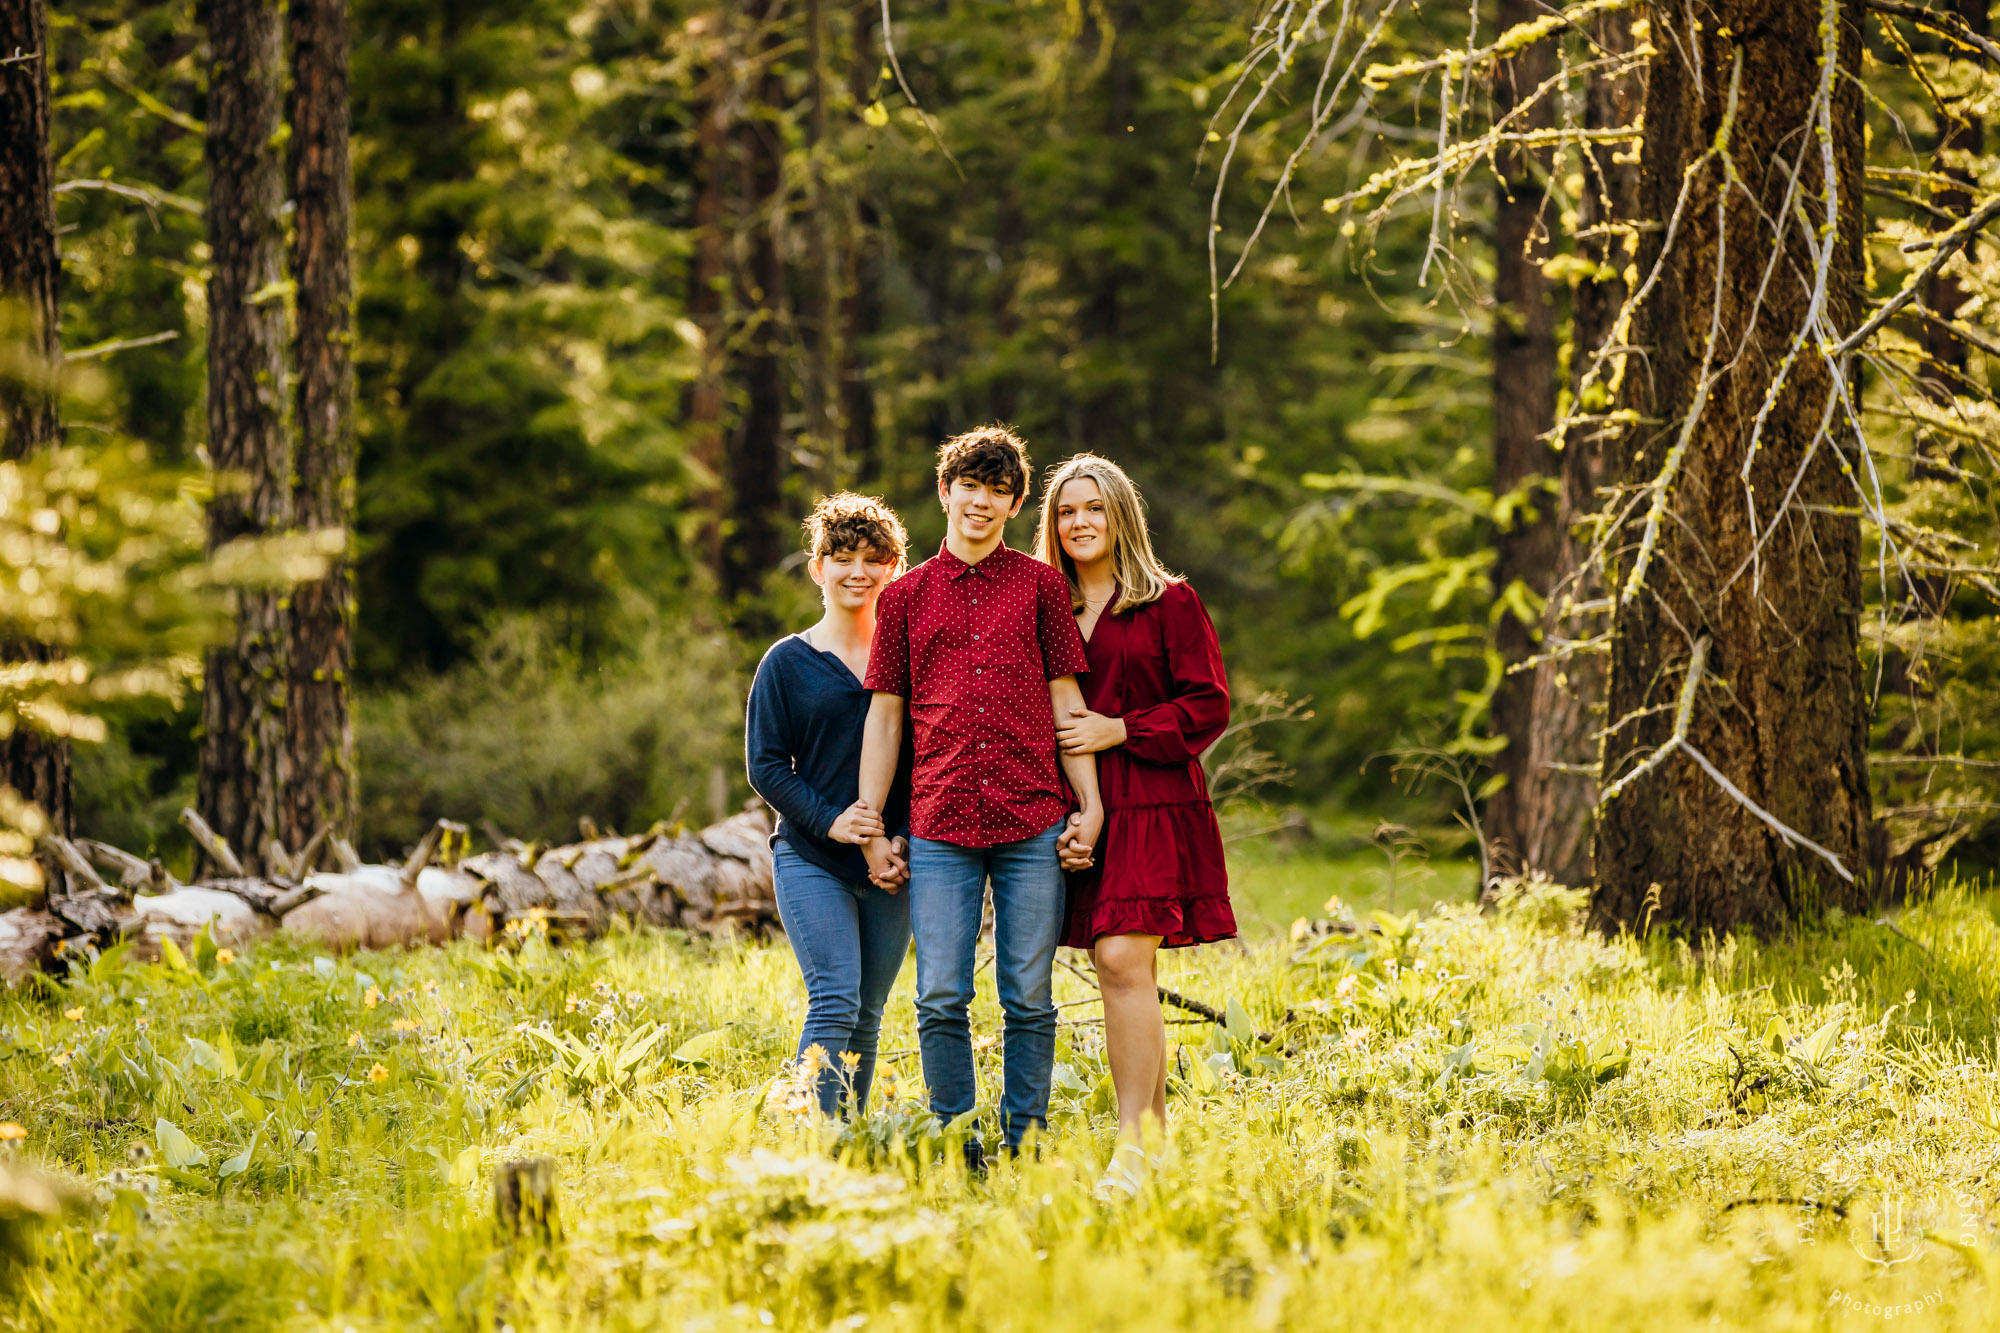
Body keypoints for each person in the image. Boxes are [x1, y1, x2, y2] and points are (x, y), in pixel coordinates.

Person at [855, 425, 1103, 1172]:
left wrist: (1087, 806)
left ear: (1015, 502)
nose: (982, 501)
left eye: (998, 490)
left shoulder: (1039, 587)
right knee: (939, 995)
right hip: (939, 823)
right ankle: (957, 1140)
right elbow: (886, 715)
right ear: (945, 491)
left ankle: (1024, 1142)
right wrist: (871, 826)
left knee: (1027, 996)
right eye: (971, 485)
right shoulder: (902, 599)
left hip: (1033, 820)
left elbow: (1067, 700)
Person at [1033, 452, 1235, 1200]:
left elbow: (1209, 704)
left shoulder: (1168, 601)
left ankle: (1130, 1146)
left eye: (1093, 508)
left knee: (1120, 958)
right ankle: (1153, 1145)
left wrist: (1121, 729)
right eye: (1065, 510)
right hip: (1072, 808)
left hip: (1151, 797)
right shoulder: (1044, 606)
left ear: (1122, 516)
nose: (1079, 522)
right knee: (1125, 969)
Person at [745, 493, 914, 1117]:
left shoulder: (909, 659)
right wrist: (831, 819)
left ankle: (847, 1138)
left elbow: (926, 761)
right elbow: (765, 766)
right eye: (841, 557)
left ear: (893, 568)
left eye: (873, 559)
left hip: (893, 864)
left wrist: (898, 838)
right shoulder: (786, 664)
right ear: (817, 568)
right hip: (811, 858)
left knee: (868, 1014)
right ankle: (807, 1139)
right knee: (836, 998)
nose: (857, 572)